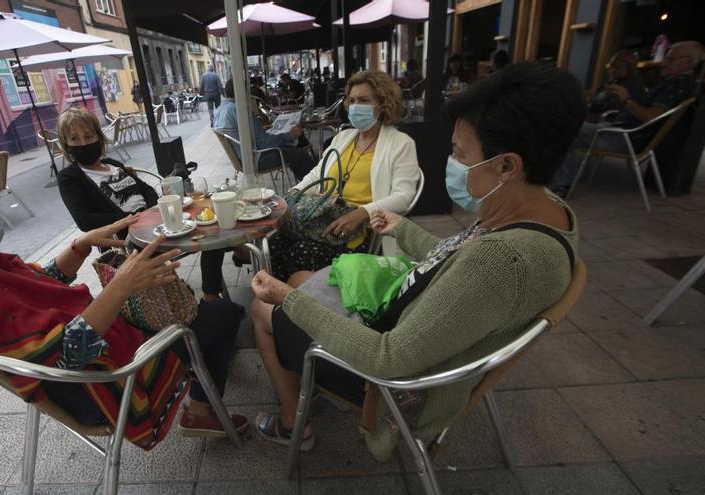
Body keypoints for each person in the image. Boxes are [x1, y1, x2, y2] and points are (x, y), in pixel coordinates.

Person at [250, 62, 583, 459]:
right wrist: (403, 229)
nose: (452, 162)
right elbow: (455, 265)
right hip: (410, 327)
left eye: (460, 154)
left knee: (261, 307)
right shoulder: (546, 212)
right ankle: (304, 380)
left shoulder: (502, 261)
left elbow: (386, 358)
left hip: (393, 388)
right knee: (304, 277)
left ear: (507, 166)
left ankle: (293, 424)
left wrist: (286, 298)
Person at [0, 143, 249, 447]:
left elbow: (40, 289)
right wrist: (122, 286)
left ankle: (201, 391)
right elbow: (61, 360)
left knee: (207, 320)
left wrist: (79, 246)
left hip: (95, 362)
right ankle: (200, 411)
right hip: (104, 381)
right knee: (222, 315)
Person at [55, 107, 231, 303]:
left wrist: (148, 211)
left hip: (156, 222)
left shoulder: (112, 163)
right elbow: (84, 220)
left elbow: (147, 189)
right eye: (75, 139)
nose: (84, 143)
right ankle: (213, 294)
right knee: (209, 234)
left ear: (99, 137)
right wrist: (134, 218)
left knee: (212, 227)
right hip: (130, 240)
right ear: (66, 145)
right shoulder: (70, 177)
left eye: (89, 136)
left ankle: (210, 293)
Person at [264, 70, 422, 281]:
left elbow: (404, 197)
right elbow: (316, 174)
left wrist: (361, 214)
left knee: (299, 252)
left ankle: (298, 305)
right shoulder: (343, 138)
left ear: (383, 105)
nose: (355, 106)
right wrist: (292, 195)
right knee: (272, 245)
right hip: (325, 219)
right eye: (352, 100)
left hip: (359, 232)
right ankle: (279, 304)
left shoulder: (400, 144)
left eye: (364, 100)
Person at [550, 41, 703, 196]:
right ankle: (556, 179)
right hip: (619, 130)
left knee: (565, 129)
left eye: (670, 59)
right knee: (564, 126)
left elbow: (650, 116)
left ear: (687, 62)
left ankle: (560, 185)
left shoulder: (678, 84)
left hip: (626, 137)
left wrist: (626, 99)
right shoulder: (675, 83)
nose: (663, 63)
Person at [214, 78, 316, 182]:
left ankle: (306, 186)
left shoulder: (219, 110)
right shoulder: (240, 110)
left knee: (293, 152)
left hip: (241, 160)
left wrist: (261, 129)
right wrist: (290, 135)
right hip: (257, 158)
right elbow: (264, 143)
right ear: (242, 91)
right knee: (300, 154)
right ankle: (318, 185)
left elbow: (245, 134)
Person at [587, 50, 645, 116]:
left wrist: (588, 105)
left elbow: (610, 107)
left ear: (630, 67)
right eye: (611, 66)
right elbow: (595, 95)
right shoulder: (615, 80)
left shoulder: (631, 85)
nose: (611, 70)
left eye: (617, 67)